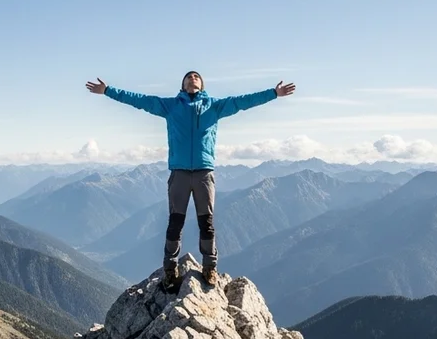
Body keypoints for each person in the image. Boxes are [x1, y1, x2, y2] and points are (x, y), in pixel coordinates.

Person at [87, 71, 296, 290]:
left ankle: (209, 267)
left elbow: (244, 102)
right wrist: (109, 91)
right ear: (183, 85)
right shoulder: (171, 106)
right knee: (175, 223)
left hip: (204, 172)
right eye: (189, 77)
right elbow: (140, 101)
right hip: (179, 173)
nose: (192, 78)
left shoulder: (214, 106)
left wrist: (274, 93)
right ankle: (170, 270)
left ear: (202, 84)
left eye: (196, 76)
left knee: (206, 224)